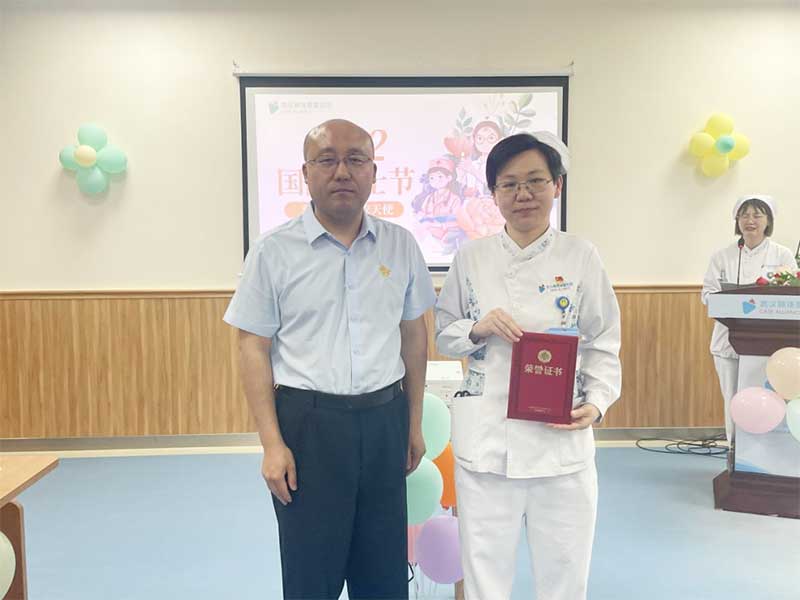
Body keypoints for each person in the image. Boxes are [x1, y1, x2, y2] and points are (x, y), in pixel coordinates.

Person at [224, 119, 436, 600]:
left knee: (383, 574)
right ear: (305, 173)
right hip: (309, 427)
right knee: (310, 576)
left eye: (356, 159)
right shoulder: (273, 252)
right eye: (327, 160)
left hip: (385, 420)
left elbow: (414, 337)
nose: (343, 171)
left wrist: (413, 423)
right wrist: (271, 444)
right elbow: (252, 346)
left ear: (373, 172)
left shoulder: (400, 244)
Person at [435, 132, 621, 600]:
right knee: (484, 575)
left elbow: (603, 339)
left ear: (557, 185)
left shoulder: (580, 256)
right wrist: (477, 328)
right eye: (509, 184)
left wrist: (597, 402)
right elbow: (443, 332)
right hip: (487, 443)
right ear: (494, 193)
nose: (523, 194)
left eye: (536, 181)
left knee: (565, 574)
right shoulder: (471, 257)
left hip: (560, 443)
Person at [701, 195, 794, 441]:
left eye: (757, 215)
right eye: (744, 215)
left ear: (768, 221)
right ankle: (733, 450)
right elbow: (707, 295)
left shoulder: (783, 255)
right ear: (737, 221)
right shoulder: (722, 256)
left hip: (770, 345)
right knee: (733, 400)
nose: (750, 220)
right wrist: (730, 303)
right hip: (727, 343)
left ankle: (765, 454)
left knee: (767, 401)